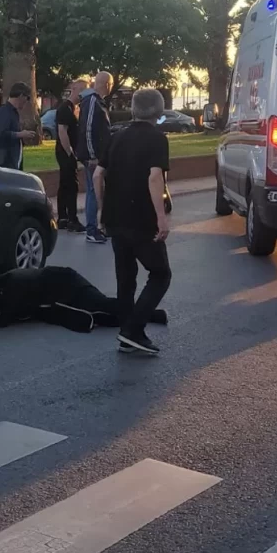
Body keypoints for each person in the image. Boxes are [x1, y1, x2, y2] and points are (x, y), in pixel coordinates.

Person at [93, 87, 172, 355]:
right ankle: (133, 331)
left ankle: (126, 331)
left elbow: (97, 175)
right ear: (159, 111)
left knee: (125, 278)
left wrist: (101, 211)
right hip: (141, 218)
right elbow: (154, 177)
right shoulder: (157, 139)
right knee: (160, 274)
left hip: (115, 217)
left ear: (134, 109)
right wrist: (161, 218)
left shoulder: (117, 136)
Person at [0, 266, 167, 333]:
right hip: (61, 285)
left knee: (103, 306)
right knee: (102, 314)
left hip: (68, 284)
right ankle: (148, 315)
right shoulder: (5, 282)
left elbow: (2, 321)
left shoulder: (12, 293)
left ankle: (150, 313)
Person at [77, 71, 114, 244]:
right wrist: (93, 155)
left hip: (99, 155)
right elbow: (88, 129)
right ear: (107, 84)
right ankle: (92, 230)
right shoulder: (92, 101)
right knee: (93, 191)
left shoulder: (97, 102)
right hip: (93, 156)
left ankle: (100, 227)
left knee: (99, 190)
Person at [54, 79, 87, 232]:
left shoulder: (76, 108)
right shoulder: (65, 108)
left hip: (71, 151)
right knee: (71, 185)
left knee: (65, 183)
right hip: (65, 152)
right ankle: (71, 219)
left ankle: (63, 218)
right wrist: (70, 152)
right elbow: (62, 132)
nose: (82, 93)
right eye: (81, 89)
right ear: (73, 88)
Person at [0, 82, 37, 170]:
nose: (27, 101)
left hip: (11, 162)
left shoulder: (12, 112)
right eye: (27, 97)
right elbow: (0, 134)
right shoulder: (5, 112)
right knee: (0, 184)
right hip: (5, 162)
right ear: (21, 96)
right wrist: (20, 134)